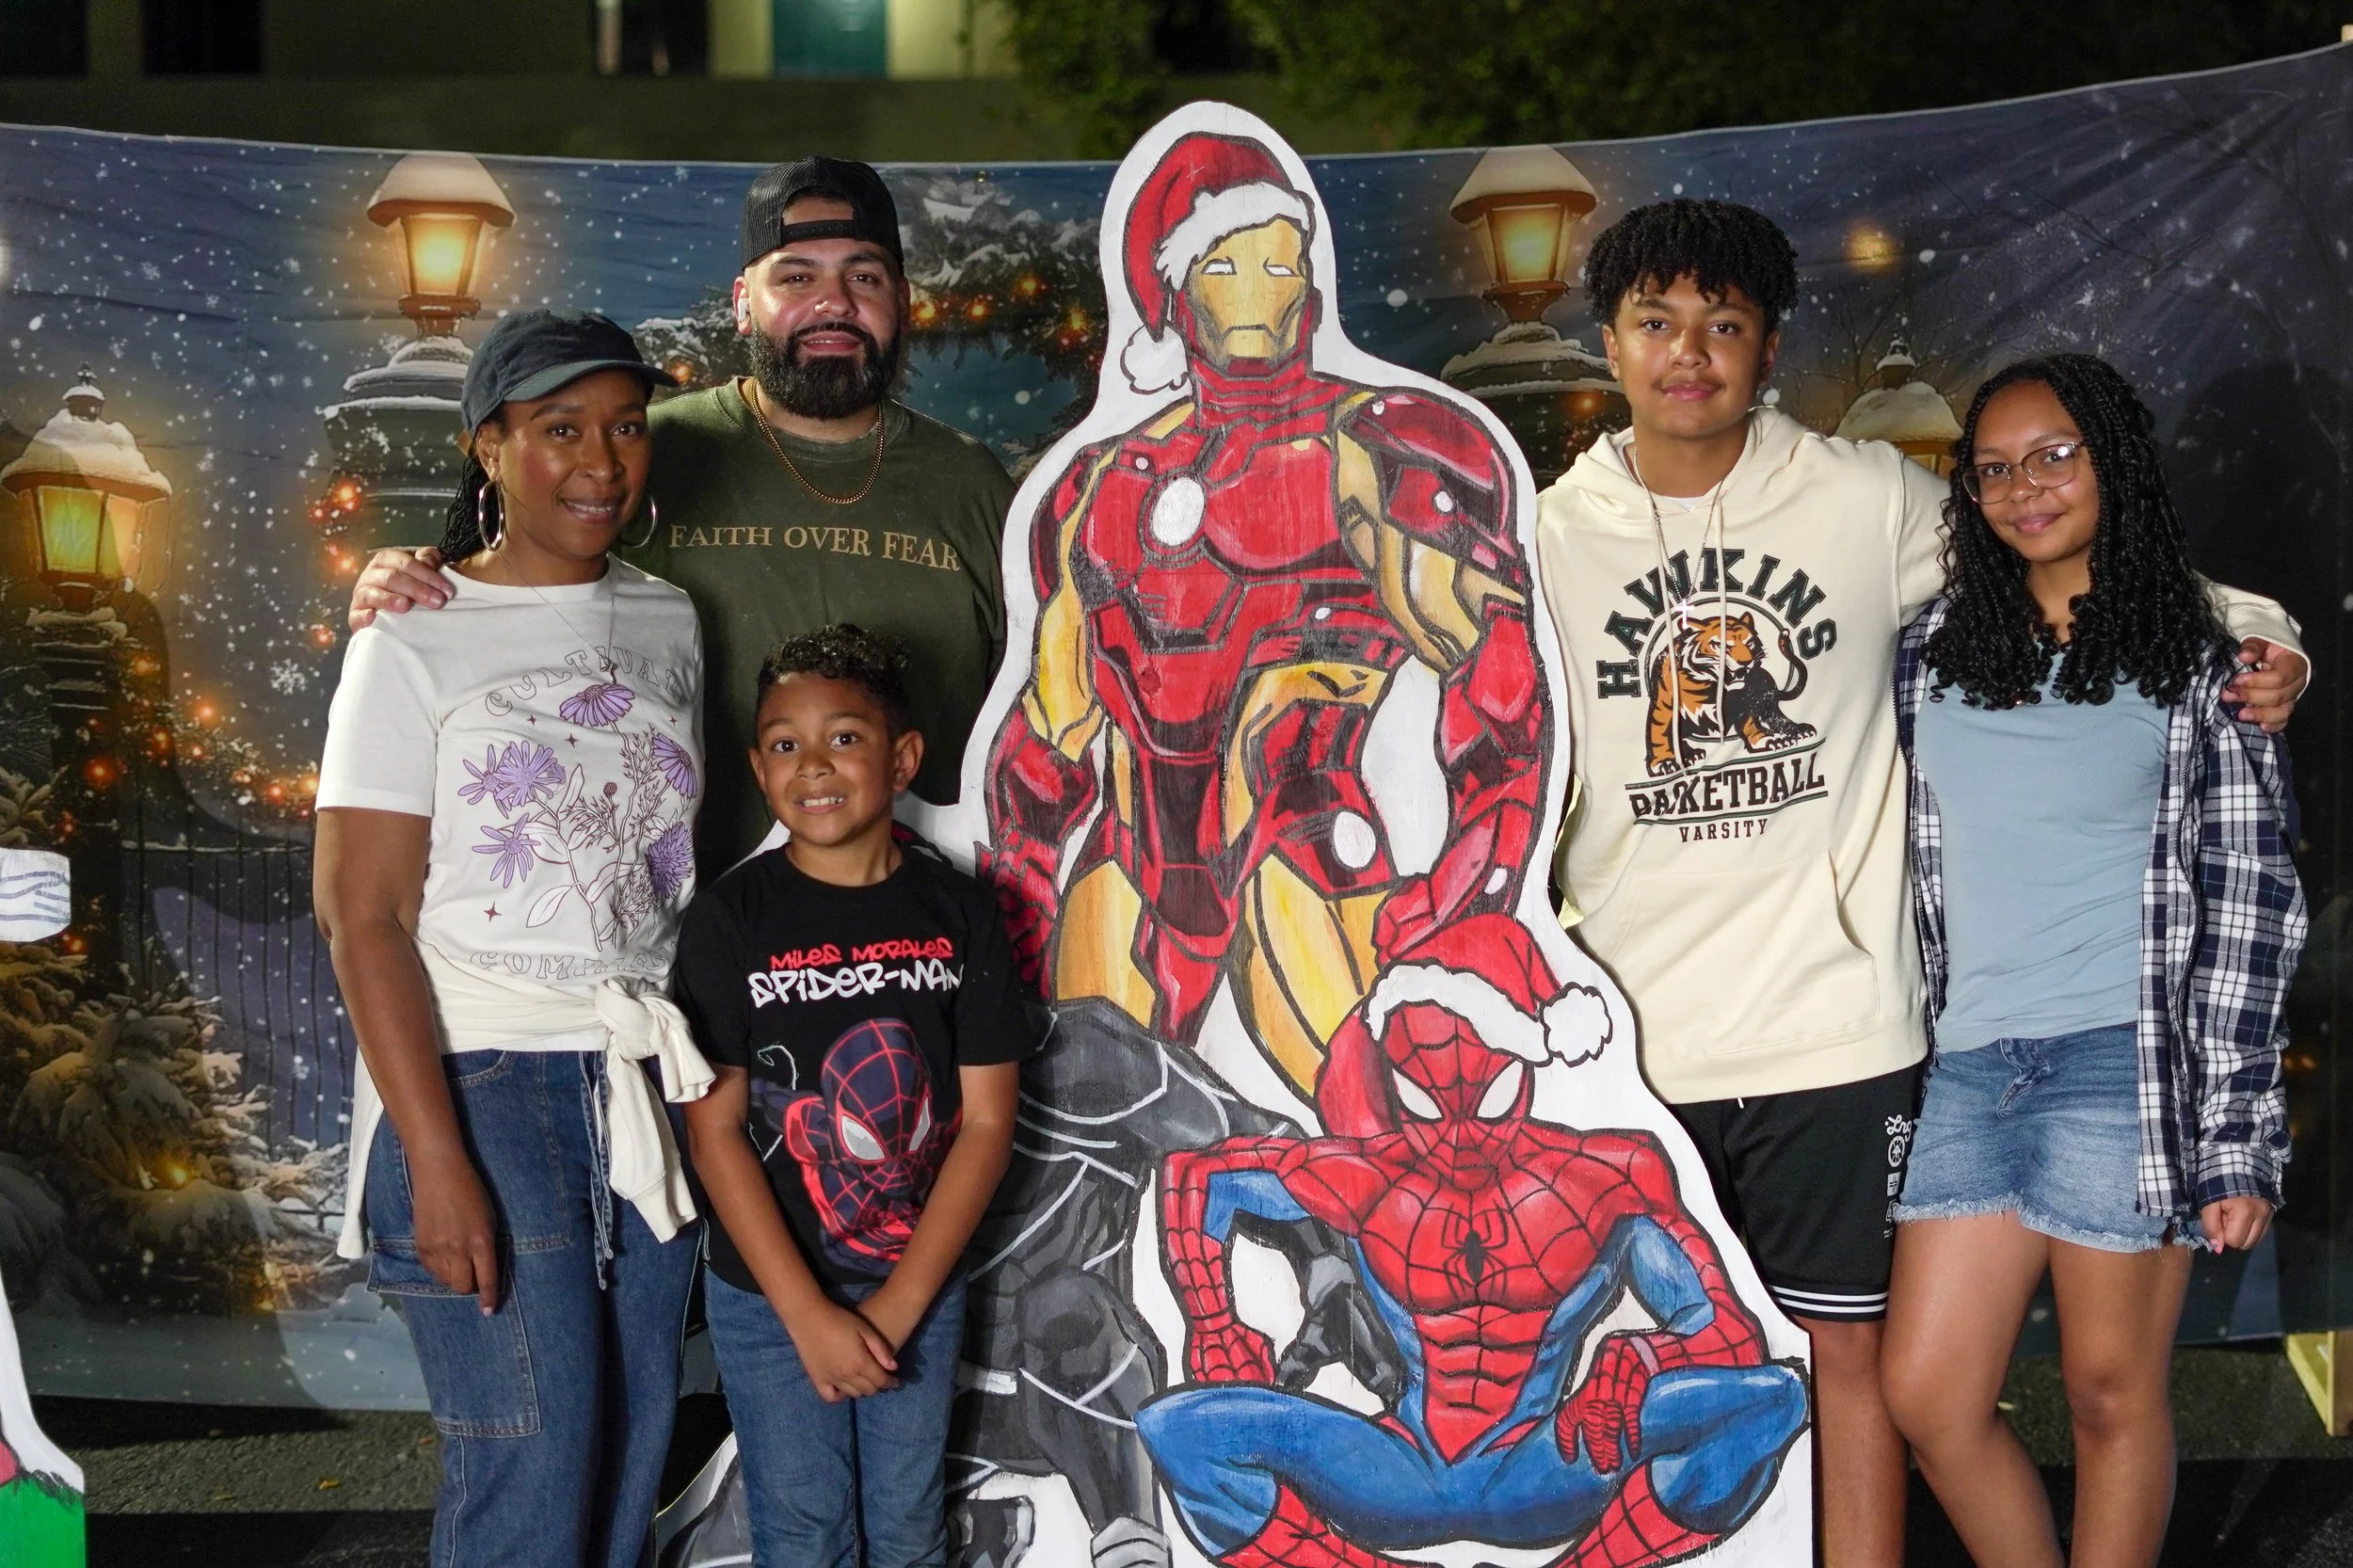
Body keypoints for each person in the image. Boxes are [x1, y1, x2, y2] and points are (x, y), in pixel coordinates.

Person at [1531, 200, 2309, 1567]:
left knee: (1898, 1380)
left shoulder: (1865, 498)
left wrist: (2265, 636)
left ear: (1770, 349)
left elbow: (2096, 571)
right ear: (1611, 341)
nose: (1690, 353)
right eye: (1657, 322)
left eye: (1725, 325)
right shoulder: (1541, 541)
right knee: (1648, 1380)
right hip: (1639, 1042)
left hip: (1850, 1029)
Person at [1881, 355, 2304, 1568]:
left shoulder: (2208, 663)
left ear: (2112, 459)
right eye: (1997, 468)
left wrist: (2236, 1134)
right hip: (1969, 1064)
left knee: (2109, 1393)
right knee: (1929, 1395)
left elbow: (2252, 903)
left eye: (2056, 454)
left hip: (2124, 1065)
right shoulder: (1931, 649)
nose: (2027, 487)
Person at [314, 309, 713, 1568]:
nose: (601, 457)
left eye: (625, 426)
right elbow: (359, 913)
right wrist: (435, 1157)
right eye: (557, 430)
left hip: (637, 1082)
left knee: (621, 1475)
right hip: (482, 1083)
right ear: (488, 446)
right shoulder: (411, 638)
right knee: (530, 1492)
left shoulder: (672, 621)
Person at [349, 156, 1016, 864]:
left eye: (864, 275)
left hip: (922, 924)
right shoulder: (645, 453)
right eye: (796, 277)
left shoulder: (972, 484)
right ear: (741, 302)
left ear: (902, 300)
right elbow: (510, 589)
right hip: (678, 930)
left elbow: (1055, 701)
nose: (834, 302)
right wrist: (413, 575)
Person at [672, 625, 1033, 1568]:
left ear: (904, 755)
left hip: (912, 1285)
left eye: (844, 737)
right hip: (769, 1297)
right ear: (757, 766)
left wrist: (904, 1302)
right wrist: (808, 1316)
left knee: (908, 1527)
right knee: (803, 1533)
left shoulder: (960, 913)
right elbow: (714, 1136)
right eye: (785, 744)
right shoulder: (728, 921)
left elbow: (988, 1123)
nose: (814, 766)